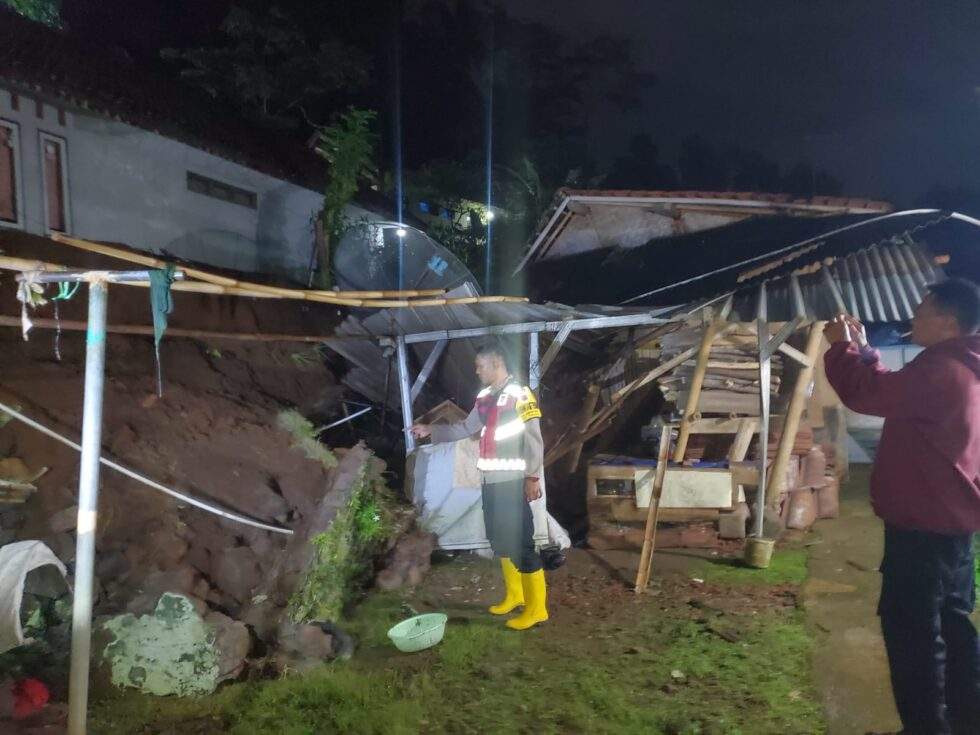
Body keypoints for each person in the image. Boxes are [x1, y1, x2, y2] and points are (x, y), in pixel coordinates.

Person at [823, 277, 980, 735]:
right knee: (952, 627)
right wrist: (865, 351)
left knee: (914, 637)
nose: (914, 317)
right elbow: (894, 388)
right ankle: (966, 721)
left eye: (922, 310)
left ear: (947, 321)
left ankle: (926, 727)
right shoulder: (963, 364)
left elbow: (868, 394)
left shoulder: (940, 370)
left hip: (923, 531)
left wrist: (841, 348)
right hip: (952, 526)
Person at [411, 341, 548, 631]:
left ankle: (537, 610)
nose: (476, 371)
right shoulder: (485, 397)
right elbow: (465, 428)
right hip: (490, 482)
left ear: (497, 363)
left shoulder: (520, 394)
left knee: (522, 543)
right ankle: (515, 596)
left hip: (512, 483)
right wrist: (430, 430)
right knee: (501, 541)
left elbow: (535, 440)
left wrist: (532, 477)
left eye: (480, 365)